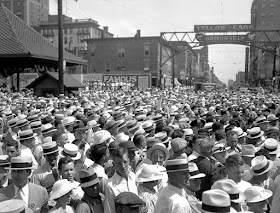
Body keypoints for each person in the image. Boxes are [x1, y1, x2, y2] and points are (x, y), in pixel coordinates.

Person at [104, 147, 138, 213]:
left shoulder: (133, 177)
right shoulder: (110, 185)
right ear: (114, 165)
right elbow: (109, 209)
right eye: (119, 163)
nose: (123, 166)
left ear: (129, 161)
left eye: (125, 162)